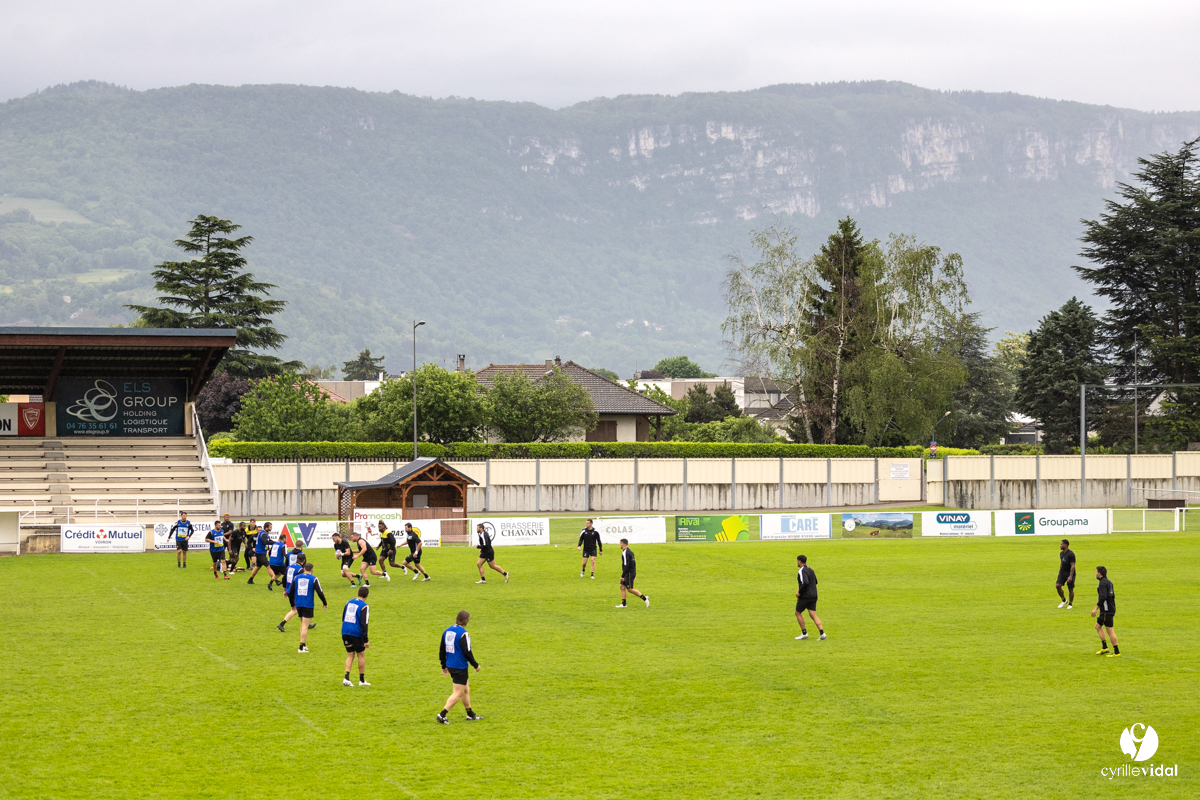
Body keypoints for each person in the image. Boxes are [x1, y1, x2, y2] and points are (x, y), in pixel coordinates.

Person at [436, 610, 481, 724]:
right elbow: (467, 652)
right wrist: (475, 665)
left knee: (465, 689)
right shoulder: (463, 634)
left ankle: (470, 714)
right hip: (460, 666)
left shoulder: (447, 630)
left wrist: (443, 665)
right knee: (458, 692)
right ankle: (442, 714)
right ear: (465, 620)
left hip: (451, 664)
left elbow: (442, 649)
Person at [288, 562, 327, 654]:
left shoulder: (296, 577)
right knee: (305, 626)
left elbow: (291, 591)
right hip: (308, 604)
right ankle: (301, 647)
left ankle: (304, 645)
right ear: (312, 569)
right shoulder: (314, 579)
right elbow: (319, 592)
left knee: (302, 624)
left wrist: (292, 605)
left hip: (298, 604)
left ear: (304, 569)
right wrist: (324, 603)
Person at [341, 586, 371, 687]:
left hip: (345, 631)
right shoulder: (364, 606)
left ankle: (346, 678)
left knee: (350, 654)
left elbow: (343, 617)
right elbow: (364, 624)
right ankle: (361, 680)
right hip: (356, 633)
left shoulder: (348, 602)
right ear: (367, 595)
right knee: (361, 655)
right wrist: (366, 640)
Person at [794, 555, 825, 640]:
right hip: (814, 595)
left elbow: (806, 582)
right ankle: (822, 633)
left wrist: (799, 592)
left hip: (806, 596)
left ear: (799, 561)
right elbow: (815, 581)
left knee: (797, 612)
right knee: (813, 614)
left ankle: (804, 633)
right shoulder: (810, 569)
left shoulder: (801, 571)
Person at [1091, 565, 1120, 657]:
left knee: (1110, 630)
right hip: (1107, 609)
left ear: (1100, 573)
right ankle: (1105, 647)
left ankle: (1116, 652)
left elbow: (1103, 597)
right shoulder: (1109, 582)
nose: (1095, 573)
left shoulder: (1103, 583)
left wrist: (1095, 608)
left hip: (1107, 610)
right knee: (1097, 626)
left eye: (1096, 572)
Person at [276, 554, 307, 633]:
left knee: (299, 608)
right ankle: (282, 624)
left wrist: (284, 590)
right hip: (295, 592)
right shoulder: (300, 570)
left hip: (289, 590)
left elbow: (284, 578)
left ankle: (306, 624)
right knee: (295, 610)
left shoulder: (290, 567)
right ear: (303, 561)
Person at [615, 539, 649, 608]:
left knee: (630, 589)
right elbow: (633, 563)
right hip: (630, 572)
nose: (619, 545)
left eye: (620, 543)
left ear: (622, 544)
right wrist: (634, 573)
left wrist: (623, 575)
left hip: (628, 573)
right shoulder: (630, 551)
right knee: (622, 586)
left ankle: (645, 598)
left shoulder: (625, 553)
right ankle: (624, 604)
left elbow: (626, 565)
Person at [1056, 539, 1076, 609]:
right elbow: (1062, 563)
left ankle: (1070, 604)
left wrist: (1070, 576)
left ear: (1066, 545)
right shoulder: (1061, 553)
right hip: (1062, 573)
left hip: (1069, 573)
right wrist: (1059, 572)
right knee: (1058, 586)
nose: (1060, 545)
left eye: (1061, 544)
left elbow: (1073, 565)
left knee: (1070, 589)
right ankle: (1064, 600)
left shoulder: (1071, 554)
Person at [267, 525, 288, 590]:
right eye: (286, 539)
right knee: (287, 574)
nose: (286, 540)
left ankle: (270, 583)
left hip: (272, 563)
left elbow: (270, 553)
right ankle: (287, 587)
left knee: (278, 573)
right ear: (284, 539)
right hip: (279, 563)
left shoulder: (274, 544)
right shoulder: (283, 545)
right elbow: (285, 554)